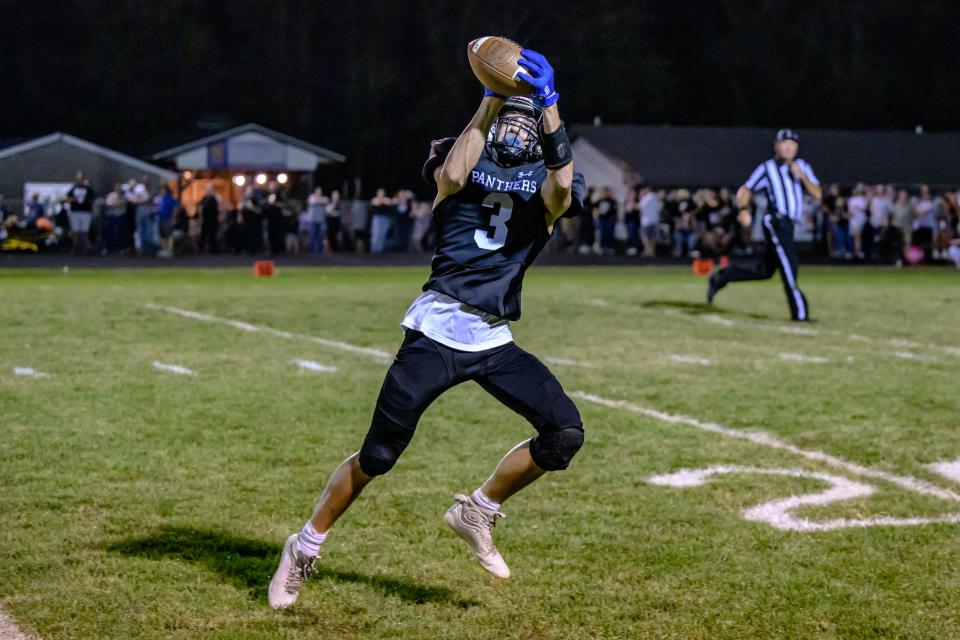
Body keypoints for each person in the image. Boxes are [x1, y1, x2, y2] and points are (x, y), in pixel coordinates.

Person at [268, 49, 586, 609]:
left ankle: (477, 511)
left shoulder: (547, 181)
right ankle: (304, 546)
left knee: (564, 434)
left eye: (523, 115)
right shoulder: (461, 152)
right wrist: (490, 96)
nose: (516, 123)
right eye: (506, 114)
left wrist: (551, 104)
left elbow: (561, 189)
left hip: (492, 338)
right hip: (436, 330)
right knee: (379, 456)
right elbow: (455, 174)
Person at [707, 129, 821, 321]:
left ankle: (722, 277)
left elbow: (817, 193)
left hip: (790, 224)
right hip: (776, 220)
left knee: (765, 270)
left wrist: (802, 176)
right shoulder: (768, 168)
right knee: (789, 264)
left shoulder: (802, 166)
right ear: (776, 146)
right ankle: (800, 313)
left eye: (792, 144)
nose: (788, 147)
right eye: (784, 143)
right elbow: (746, 189)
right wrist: (743, 210)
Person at [65, 170, 96, 255]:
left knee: (85, 231)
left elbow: (92, 198)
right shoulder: (73, 188)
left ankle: (88, 247)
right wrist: (72, 200)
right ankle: (76, 247)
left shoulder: (88, 188)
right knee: (75, 231)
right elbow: (68, 198)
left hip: (85, 212)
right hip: (75, 211)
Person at [198, 184, 221, 254]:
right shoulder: (204, 198)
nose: (209, 191)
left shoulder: (215, 198)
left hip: (213, 220)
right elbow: (199, 205)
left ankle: (213, 249)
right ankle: (201, 249)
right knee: (203, 234)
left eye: (210, 190)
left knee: (213, 235)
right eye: (208, 190)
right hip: (205, 219)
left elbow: (220, 204)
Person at [307, 187, 329, 254]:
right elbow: (312, 201)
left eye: (320, 191)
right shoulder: (311, 197)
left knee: (320, 235)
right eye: (317, 191)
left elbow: (326, 200)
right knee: (312, 235)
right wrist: (319, 200)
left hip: (321, 220)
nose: (319, 193)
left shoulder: (325, 198)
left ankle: (319, 250)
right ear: (315, 192)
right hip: (313, 220)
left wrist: (319, 200)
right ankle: (312, 250)